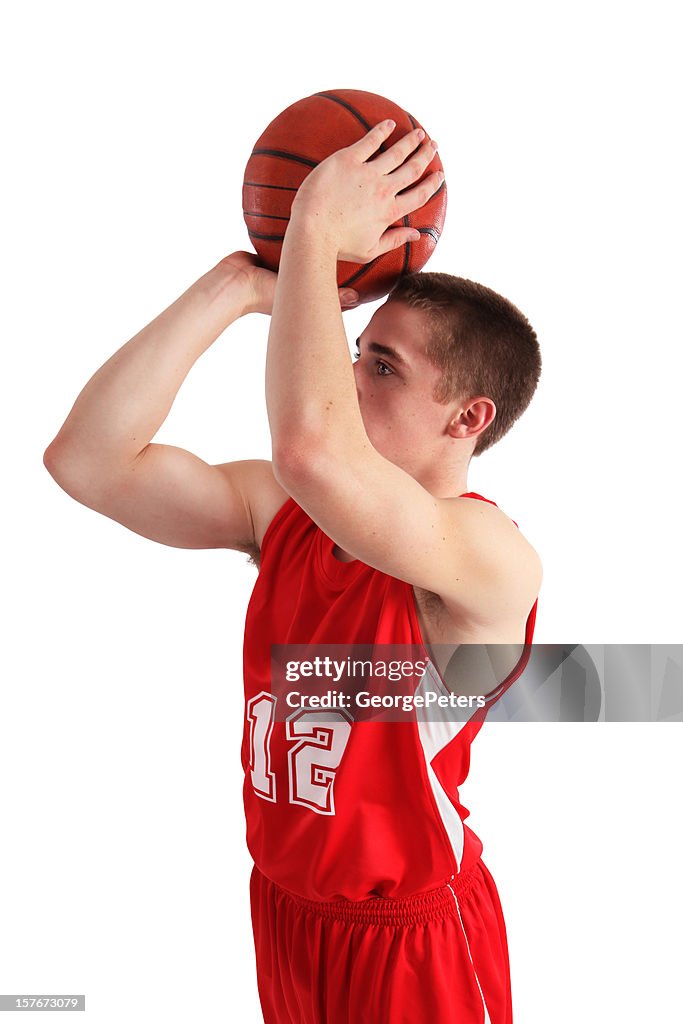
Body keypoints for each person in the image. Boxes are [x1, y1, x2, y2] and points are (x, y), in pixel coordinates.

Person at [44, 120, 542, 1023]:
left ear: (467, 418)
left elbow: (313, 448)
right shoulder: (286, 513)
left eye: (382, 367)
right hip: (285, 911)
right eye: (357, 353)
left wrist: (313, 229)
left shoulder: (485, 560)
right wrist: (233, 287)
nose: (349, 378)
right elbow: (88, 461)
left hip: (407, 942)